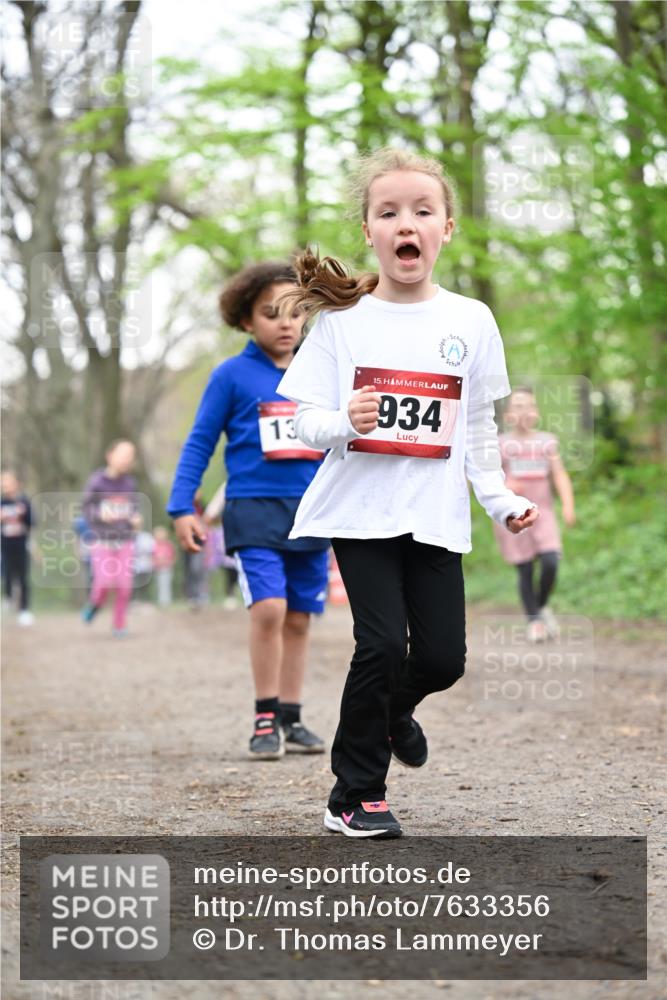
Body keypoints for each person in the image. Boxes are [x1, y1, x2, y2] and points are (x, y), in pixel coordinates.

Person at [275, 147, 539, 838]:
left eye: (422, 210)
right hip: (360, 512)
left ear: (445, 228)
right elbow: (299, 417)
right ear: (368, 230)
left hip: (436, 514)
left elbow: (474, 427)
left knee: (442, 660)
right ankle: (354, 794)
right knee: (381, 643)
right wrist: (344, 421)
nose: (406, 222)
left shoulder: (471, 320)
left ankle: (391, 712)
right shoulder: (343, 321)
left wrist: (500, 499)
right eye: (388, 211)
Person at [167, 262, 330, 760]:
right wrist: (180, 506)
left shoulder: (322, 371)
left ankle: (292, 717)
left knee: (300, 618)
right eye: (270, 314)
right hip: (252, 509)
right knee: (270, 608)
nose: (286, 323)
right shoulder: (231, 376)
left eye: (296, 313)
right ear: (245, 321)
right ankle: (264, 716)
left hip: (313, 511)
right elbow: (200, 443)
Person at [493, 387, 576, 642]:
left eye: (529, 405)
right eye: (518, 405)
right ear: (508, 415)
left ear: (537, 412)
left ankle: (540, 607)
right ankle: (534, 622)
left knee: (551, 561)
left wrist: (568, 504)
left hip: (544, 513)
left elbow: (559, 474)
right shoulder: (501, 444)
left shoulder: (546, 441)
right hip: (515, 516)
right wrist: (507, 485)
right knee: (526, 569)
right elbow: (488, 480)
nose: (524, 410)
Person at [80, 440, 139, 638]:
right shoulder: (96, 481)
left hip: (125, 540)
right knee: (104, 582)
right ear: (110, 455)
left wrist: (136, 519)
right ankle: (95, 603)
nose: (126, 460)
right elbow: (86, 509)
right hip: (102, 539)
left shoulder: (130, 483)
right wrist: (100, 514)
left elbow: (134, 509)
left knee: (125, 585)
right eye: (123, 455)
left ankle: (119, 623)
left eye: (130, 457)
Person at [1, 470, 34, 626]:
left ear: (16, 483)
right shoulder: (1, 503)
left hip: (21, 544)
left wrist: (24, 515)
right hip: (5, 545)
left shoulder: (24, 501)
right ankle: (8, 597)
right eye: (3, 481)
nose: (5, 484)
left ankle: (24, 610)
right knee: (7, 574)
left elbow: (32, 522)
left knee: (23, 577)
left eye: (8, 481)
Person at [152, 526, 176, 607]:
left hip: (166, 569)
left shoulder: (168, 545)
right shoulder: (154, 545)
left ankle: (165, 601)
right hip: (157, 569)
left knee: (165, 585)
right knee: (158, 585)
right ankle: (159, 600)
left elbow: (172, 557)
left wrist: (167, 562)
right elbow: (152, 556)